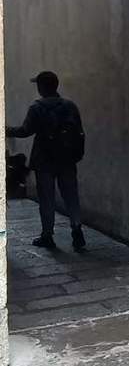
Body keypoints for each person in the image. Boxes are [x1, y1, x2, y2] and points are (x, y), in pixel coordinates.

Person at [5, 71, 86, 251]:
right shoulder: (70, 106)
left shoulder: (37, 107)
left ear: (42, 87)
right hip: (67, 159)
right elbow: (80, 132)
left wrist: (7, 130)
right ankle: (77, 228)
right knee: (71, 196)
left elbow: (26, 131)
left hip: (44, 160)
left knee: (47, 199)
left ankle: (47, 235)